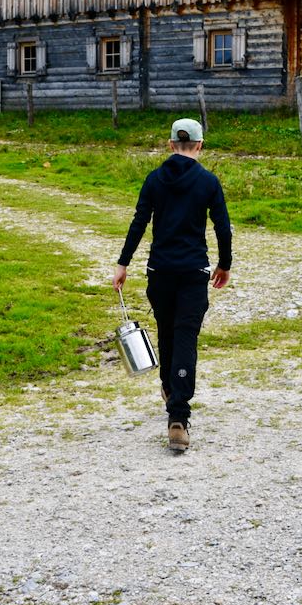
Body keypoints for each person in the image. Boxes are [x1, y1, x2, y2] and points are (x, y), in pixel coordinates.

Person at [113, 118, 232, 452]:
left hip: (160, 271)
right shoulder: (208, 181)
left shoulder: (154, 180)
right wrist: (224, 264)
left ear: (170, 145)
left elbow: (139, 223)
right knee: (185, 338)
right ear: (200, 145)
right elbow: (222, 227)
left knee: (166, 333)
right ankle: (178, 417)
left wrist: (123, 264)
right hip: (193, 272)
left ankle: (170, 388)